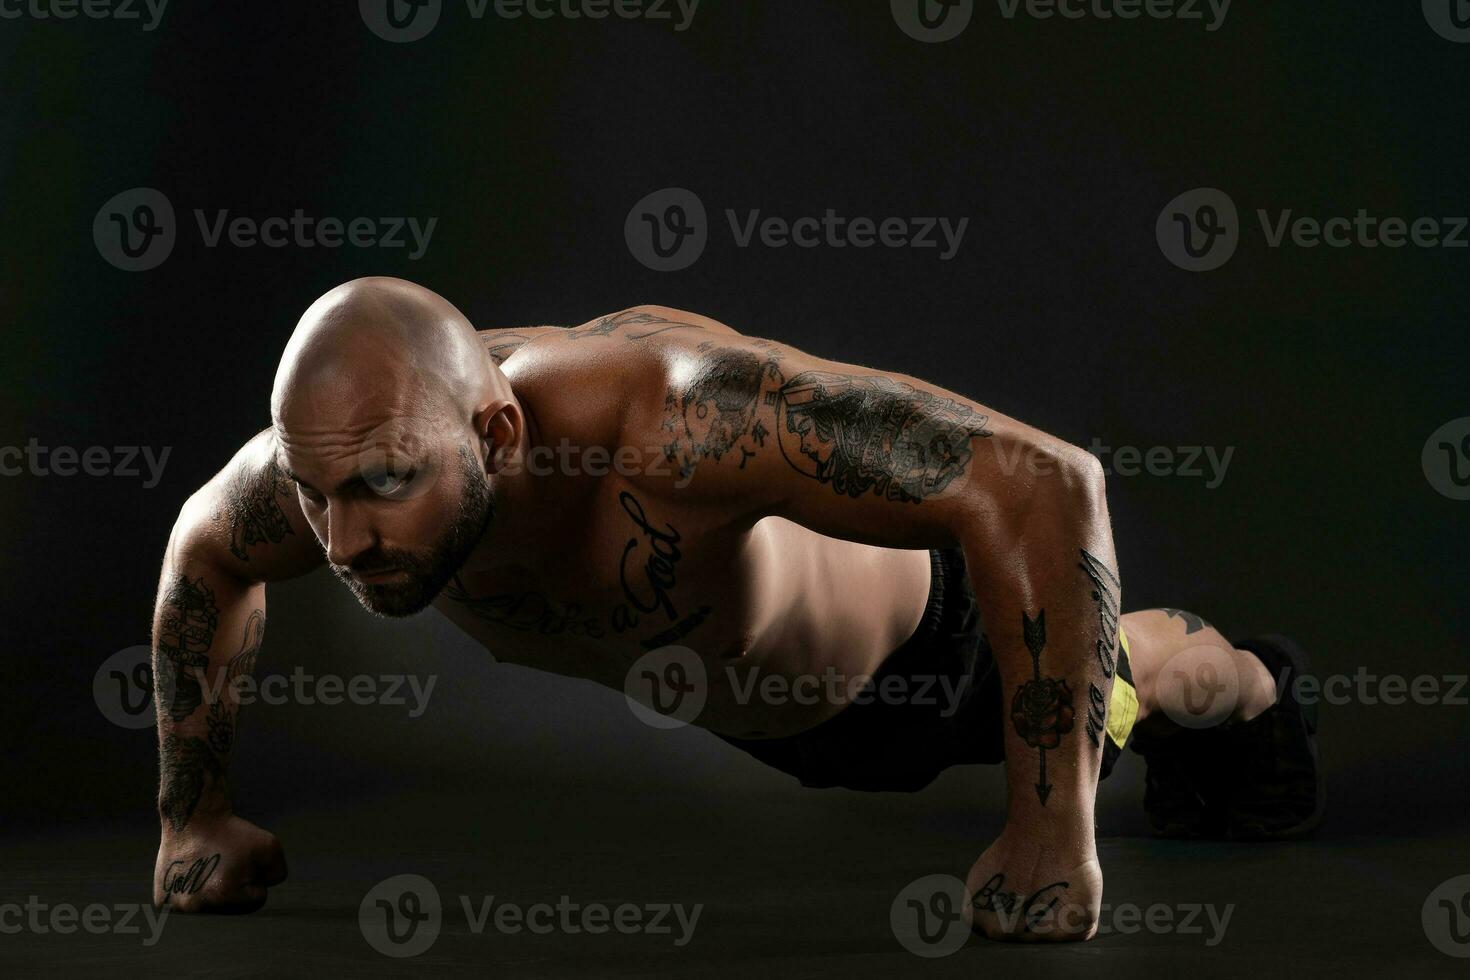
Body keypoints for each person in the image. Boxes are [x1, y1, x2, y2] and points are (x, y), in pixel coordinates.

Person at [149, 277, 1322, 941]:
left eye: (387, 486)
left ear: (496, 433)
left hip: (935, 660)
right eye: (318, 496)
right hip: (757, 711)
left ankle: (1254, 683)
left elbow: (1047, 482)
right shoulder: (352, 444)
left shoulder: (673, 424)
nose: (346, 541)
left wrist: (1051, 832)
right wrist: (193, 818)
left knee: (1147, 685)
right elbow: (204, 549)